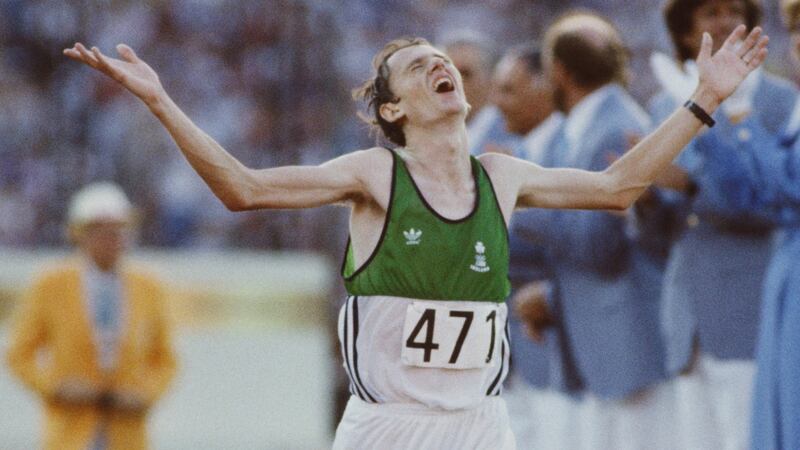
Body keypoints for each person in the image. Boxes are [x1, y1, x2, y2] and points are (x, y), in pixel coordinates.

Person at [63, 23, 766, 449]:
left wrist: (703, 98)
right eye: (418, 64)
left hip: (481, 425)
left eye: (445, 61)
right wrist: (159, 99)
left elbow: (617, 188)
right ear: (394, 109)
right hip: (389, 427)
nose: (440, 65)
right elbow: (242, 188)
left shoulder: (503, 176)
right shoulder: (374, 174)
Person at [508, 13, 673, 449]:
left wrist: (519, 204)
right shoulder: (583, 126)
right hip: (596, 344)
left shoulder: (614, 128)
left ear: (559, 72)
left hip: (628, 343)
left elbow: (598, 246)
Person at [638, 1, 798, 448]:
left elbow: (773, 204)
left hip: (750, 308)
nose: (725, 21)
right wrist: (647, 201)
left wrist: (692, 186)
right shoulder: (664, 101)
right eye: (710, 12)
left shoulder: (779, 100)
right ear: (686, 31)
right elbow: (658, 238)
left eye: (735, 10)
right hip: (686, 316)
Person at [690, 2, 800, 447]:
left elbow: (788, 186)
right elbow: (748, 196)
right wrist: (709, 113)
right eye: (797, 30)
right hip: (787, 272)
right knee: (779, 411)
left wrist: (743, 117)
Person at [5, 182, 177, 450]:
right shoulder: (51, 284)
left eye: (118, 230)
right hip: (69, 431)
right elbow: (19, 354)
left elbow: (166, 358)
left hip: (126, 432)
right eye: (101, 231)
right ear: (80, 234)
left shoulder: (149, 287)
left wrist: (144, 395)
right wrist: (57, 387)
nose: (112, 239)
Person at [488, 42, 563, 446]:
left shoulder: (569, 144)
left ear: (545, 88)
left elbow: (590, 236)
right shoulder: (516, 151)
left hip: (556, 340)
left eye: (509, 90)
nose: (497, 102)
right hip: (506, 349)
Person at [438, 31, 517, 155]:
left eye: (465, 74)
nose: (454, 82)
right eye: (446, 74)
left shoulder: (512, 132)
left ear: (490, 80)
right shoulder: (427, 133)